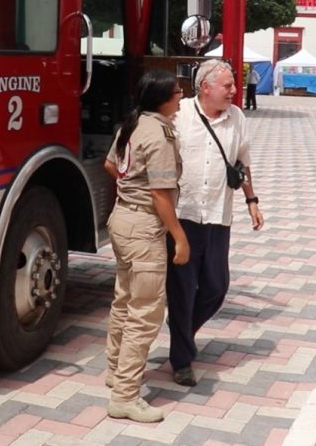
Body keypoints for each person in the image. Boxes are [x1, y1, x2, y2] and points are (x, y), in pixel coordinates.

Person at [166, 59, 264, 387]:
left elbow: (242, 162)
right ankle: (181, 359)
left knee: (216, 287)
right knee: (181, 290)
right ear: (205, 87)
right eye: (228, 86)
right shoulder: (179, 115)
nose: (235, 91)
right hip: (185, 216)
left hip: (219, 215)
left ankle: (182, 333)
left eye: (234, 85)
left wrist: (252, 201)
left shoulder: (237, 117)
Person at [103, 69, 190, 423]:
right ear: (162, 99)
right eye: (177, 91)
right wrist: (179, 236)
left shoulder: (132, 123)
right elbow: (160, 194)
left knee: (124, 301)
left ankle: (115, 371)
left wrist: (129, 184)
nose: (182, 95)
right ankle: (125, 395)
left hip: (121, 220)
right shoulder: (159, 134)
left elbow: (111, 164)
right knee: (146, 313)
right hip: (143, 227)